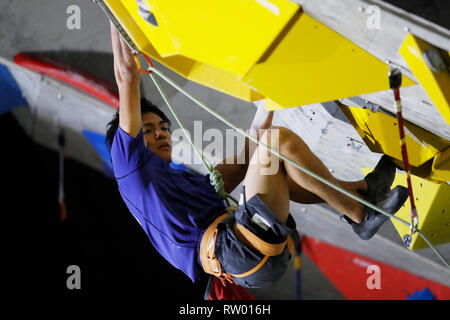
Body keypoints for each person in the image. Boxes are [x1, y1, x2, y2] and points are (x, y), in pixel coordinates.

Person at [106, 24, 409, 288]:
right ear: (127, 142)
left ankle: (361, 193)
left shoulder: (179, 183)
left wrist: (269, 100)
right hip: (235, 248)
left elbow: (245, 159)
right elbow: (126, 75)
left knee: (271, 156)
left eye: (163, 127)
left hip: (246, 249)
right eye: (148, 129)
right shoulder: (130, 169)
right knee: (276, 143)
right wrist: (115, 12)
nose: (160, 133)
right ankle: (358, 213)